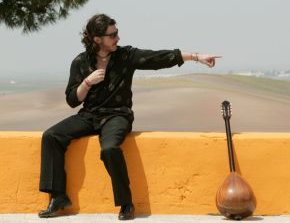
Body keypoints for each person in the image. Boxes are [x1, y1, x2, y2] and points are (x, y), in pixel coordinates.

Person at [38, 13, 221, 220]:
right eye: (112, 35)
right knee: (51, 136)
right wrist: (87, 83)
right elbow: (72, 100)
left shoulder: (126, 56)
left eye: (117, 33)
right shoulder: (80, 62)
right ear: (97, 39)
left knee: (109, 148)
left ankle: (126, 204)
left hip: (118, 115)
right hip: (89, 115)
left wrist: (197, 57)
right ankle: (58, 197)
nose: (118, 38)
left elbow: (159, 58)